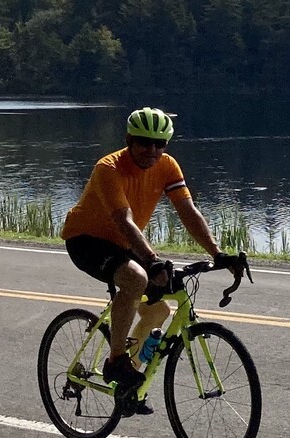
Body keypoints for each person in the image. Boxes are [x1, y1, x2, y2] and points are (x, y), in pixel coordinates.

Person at [60, 106, 241, 413]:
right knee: (136, 278)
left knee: (159, 311)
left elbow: (187, 211)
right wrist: (152, 259)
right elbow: (124, 221)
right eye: (144, 142)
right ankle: (117, 360)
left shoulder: (167, 166)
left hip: (124, 244)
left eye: (160, 144)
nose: (152, 150)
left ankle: (126, 375)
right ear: (129, 139)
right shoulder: (109, 168)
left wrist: (217, 252)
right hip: (86, 240)